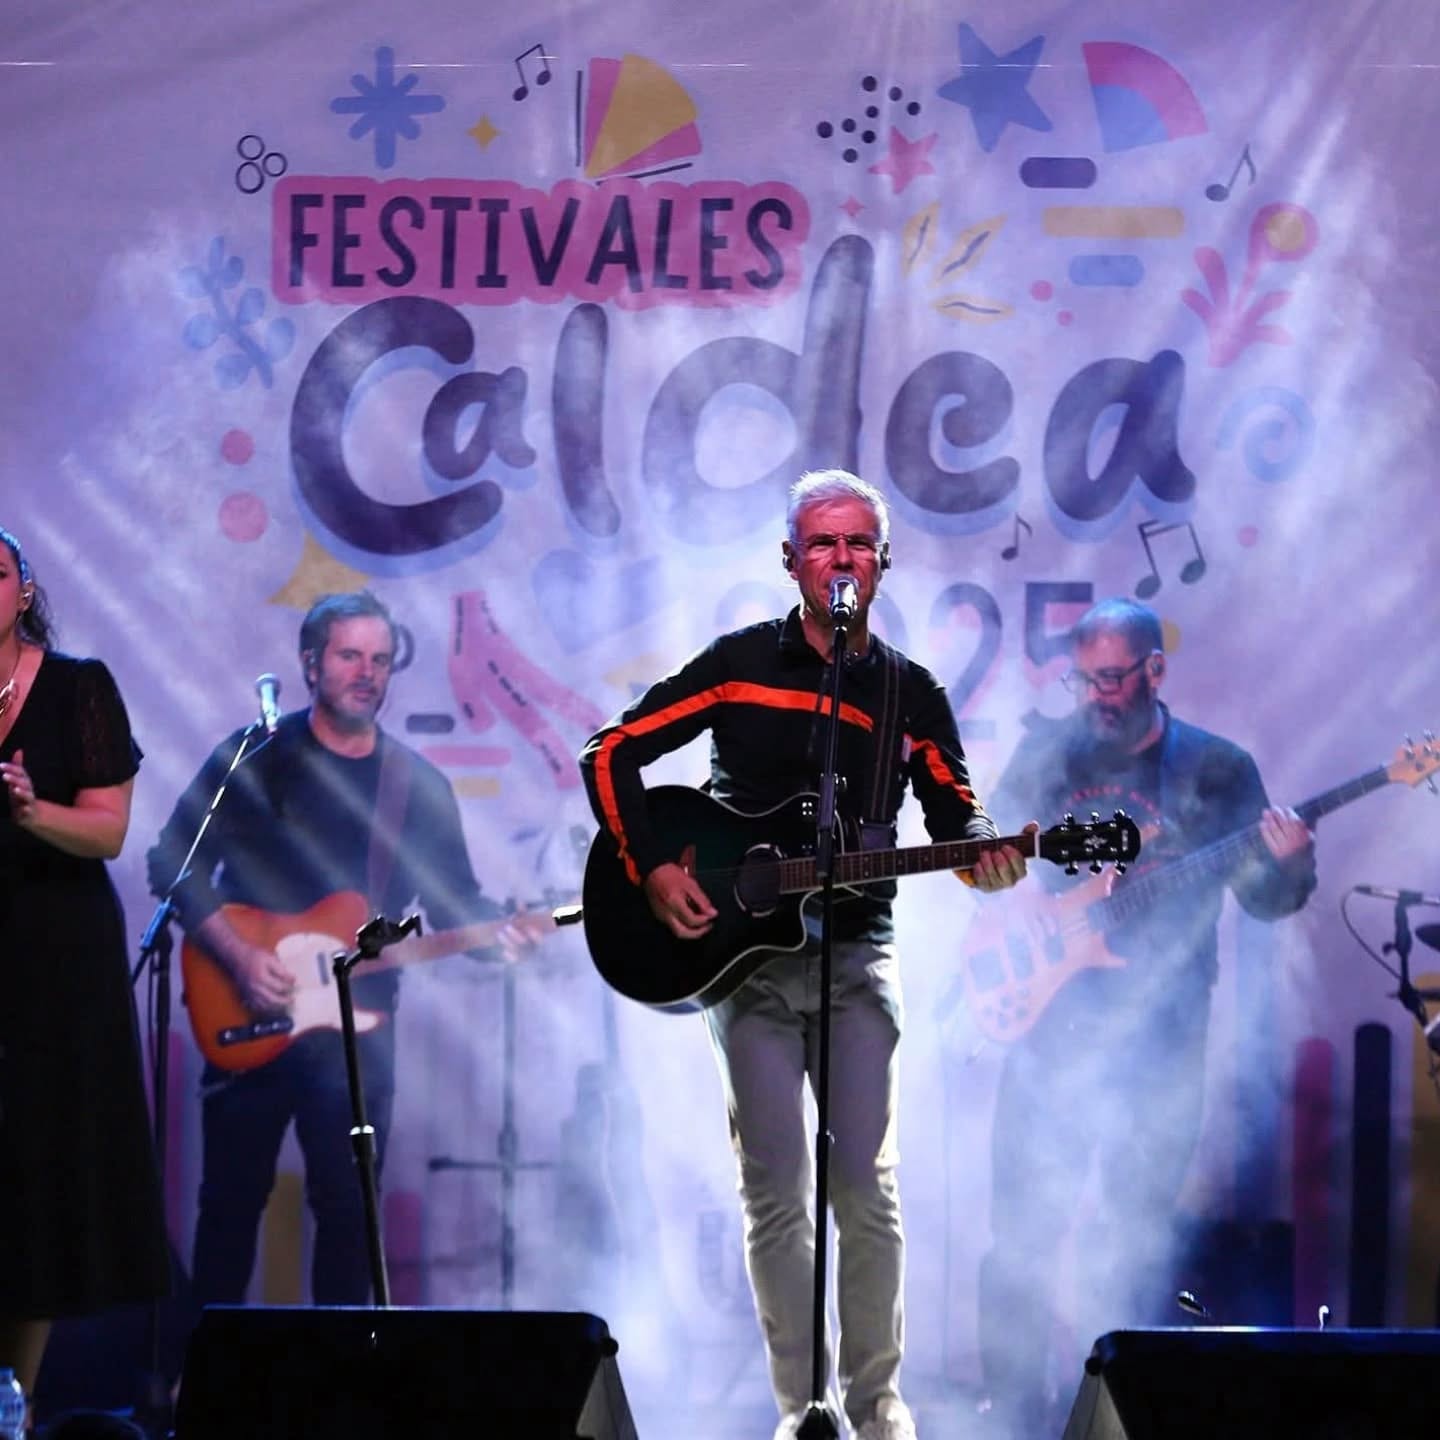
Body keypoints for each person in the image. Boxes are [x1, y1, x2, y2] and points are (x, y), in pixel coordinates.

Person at [578, 471, 1030, 1440]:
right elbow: (609, 752)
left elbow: (958, 815)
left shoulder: (910, 693)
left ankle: (879, 1409)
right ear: (791, 562)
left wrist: (986, 855)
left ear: (884, 563)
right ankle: (803, 1412)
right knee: (775, 1192)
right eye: (822, 544)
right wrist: (651, 867)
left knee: (866, 1187)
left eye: (858, 543)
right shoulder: (740, 663)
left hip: (858, 954)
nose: (841, 560)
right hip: (744, 969)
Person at [973, 597, 1316, 1438]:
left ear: (1155, 671)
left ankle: (1117, 1416)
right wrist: (1027, 922)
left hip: (1163, 1039)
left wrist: (1288, 864)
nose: (1097, 696)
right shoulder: (1050, 754)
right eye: (1086, 679)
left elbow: (1268, 901)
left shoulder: (1218, 769)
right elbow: (987, 865)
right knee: (1020, 1233)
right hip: (1053, 1029)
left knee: (1136, 1234)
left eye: (1113, 679)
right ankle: (1009, 1416)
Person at [147, 590, 538, 1308]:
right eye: (350, 656)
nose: (367, 673)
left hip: (359, 1033)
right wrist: (237, 955)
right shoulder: (254, 756)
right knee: (229, 1208)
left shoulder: (415, 787)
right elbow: (171, 860)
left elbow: (454, 902)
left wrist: (503, 938)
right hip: (246, 1006)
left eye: (380, 660)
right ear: (310, 664)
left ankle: (340, 1374)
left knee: (349, 1217)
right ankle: (202, 1369)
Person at [0, 526, 169, 1401]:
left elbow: (107, 831)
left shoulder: (78, 688)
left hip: (55, 961)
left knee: (38, 1176)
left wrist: (31, 813)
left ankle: (12, 1401)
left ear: (24, 591)